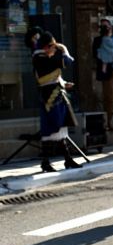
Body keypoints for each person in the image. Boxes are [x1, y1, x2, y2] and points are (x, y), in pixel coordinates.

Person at [32, 32, 82, 172]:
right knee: (52, 128)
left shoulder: (44, 57)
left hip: (55, 94)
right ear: (46, 47)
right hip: (50, 97)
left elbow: (52, 77)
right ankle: (46, 162)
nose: (54, 49)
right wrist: (64, 48)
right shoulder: (39, 57)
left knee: (60, 129)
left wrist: (63, 83)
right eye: (52, 46)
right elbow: (67, 61)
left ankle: (67, 159)